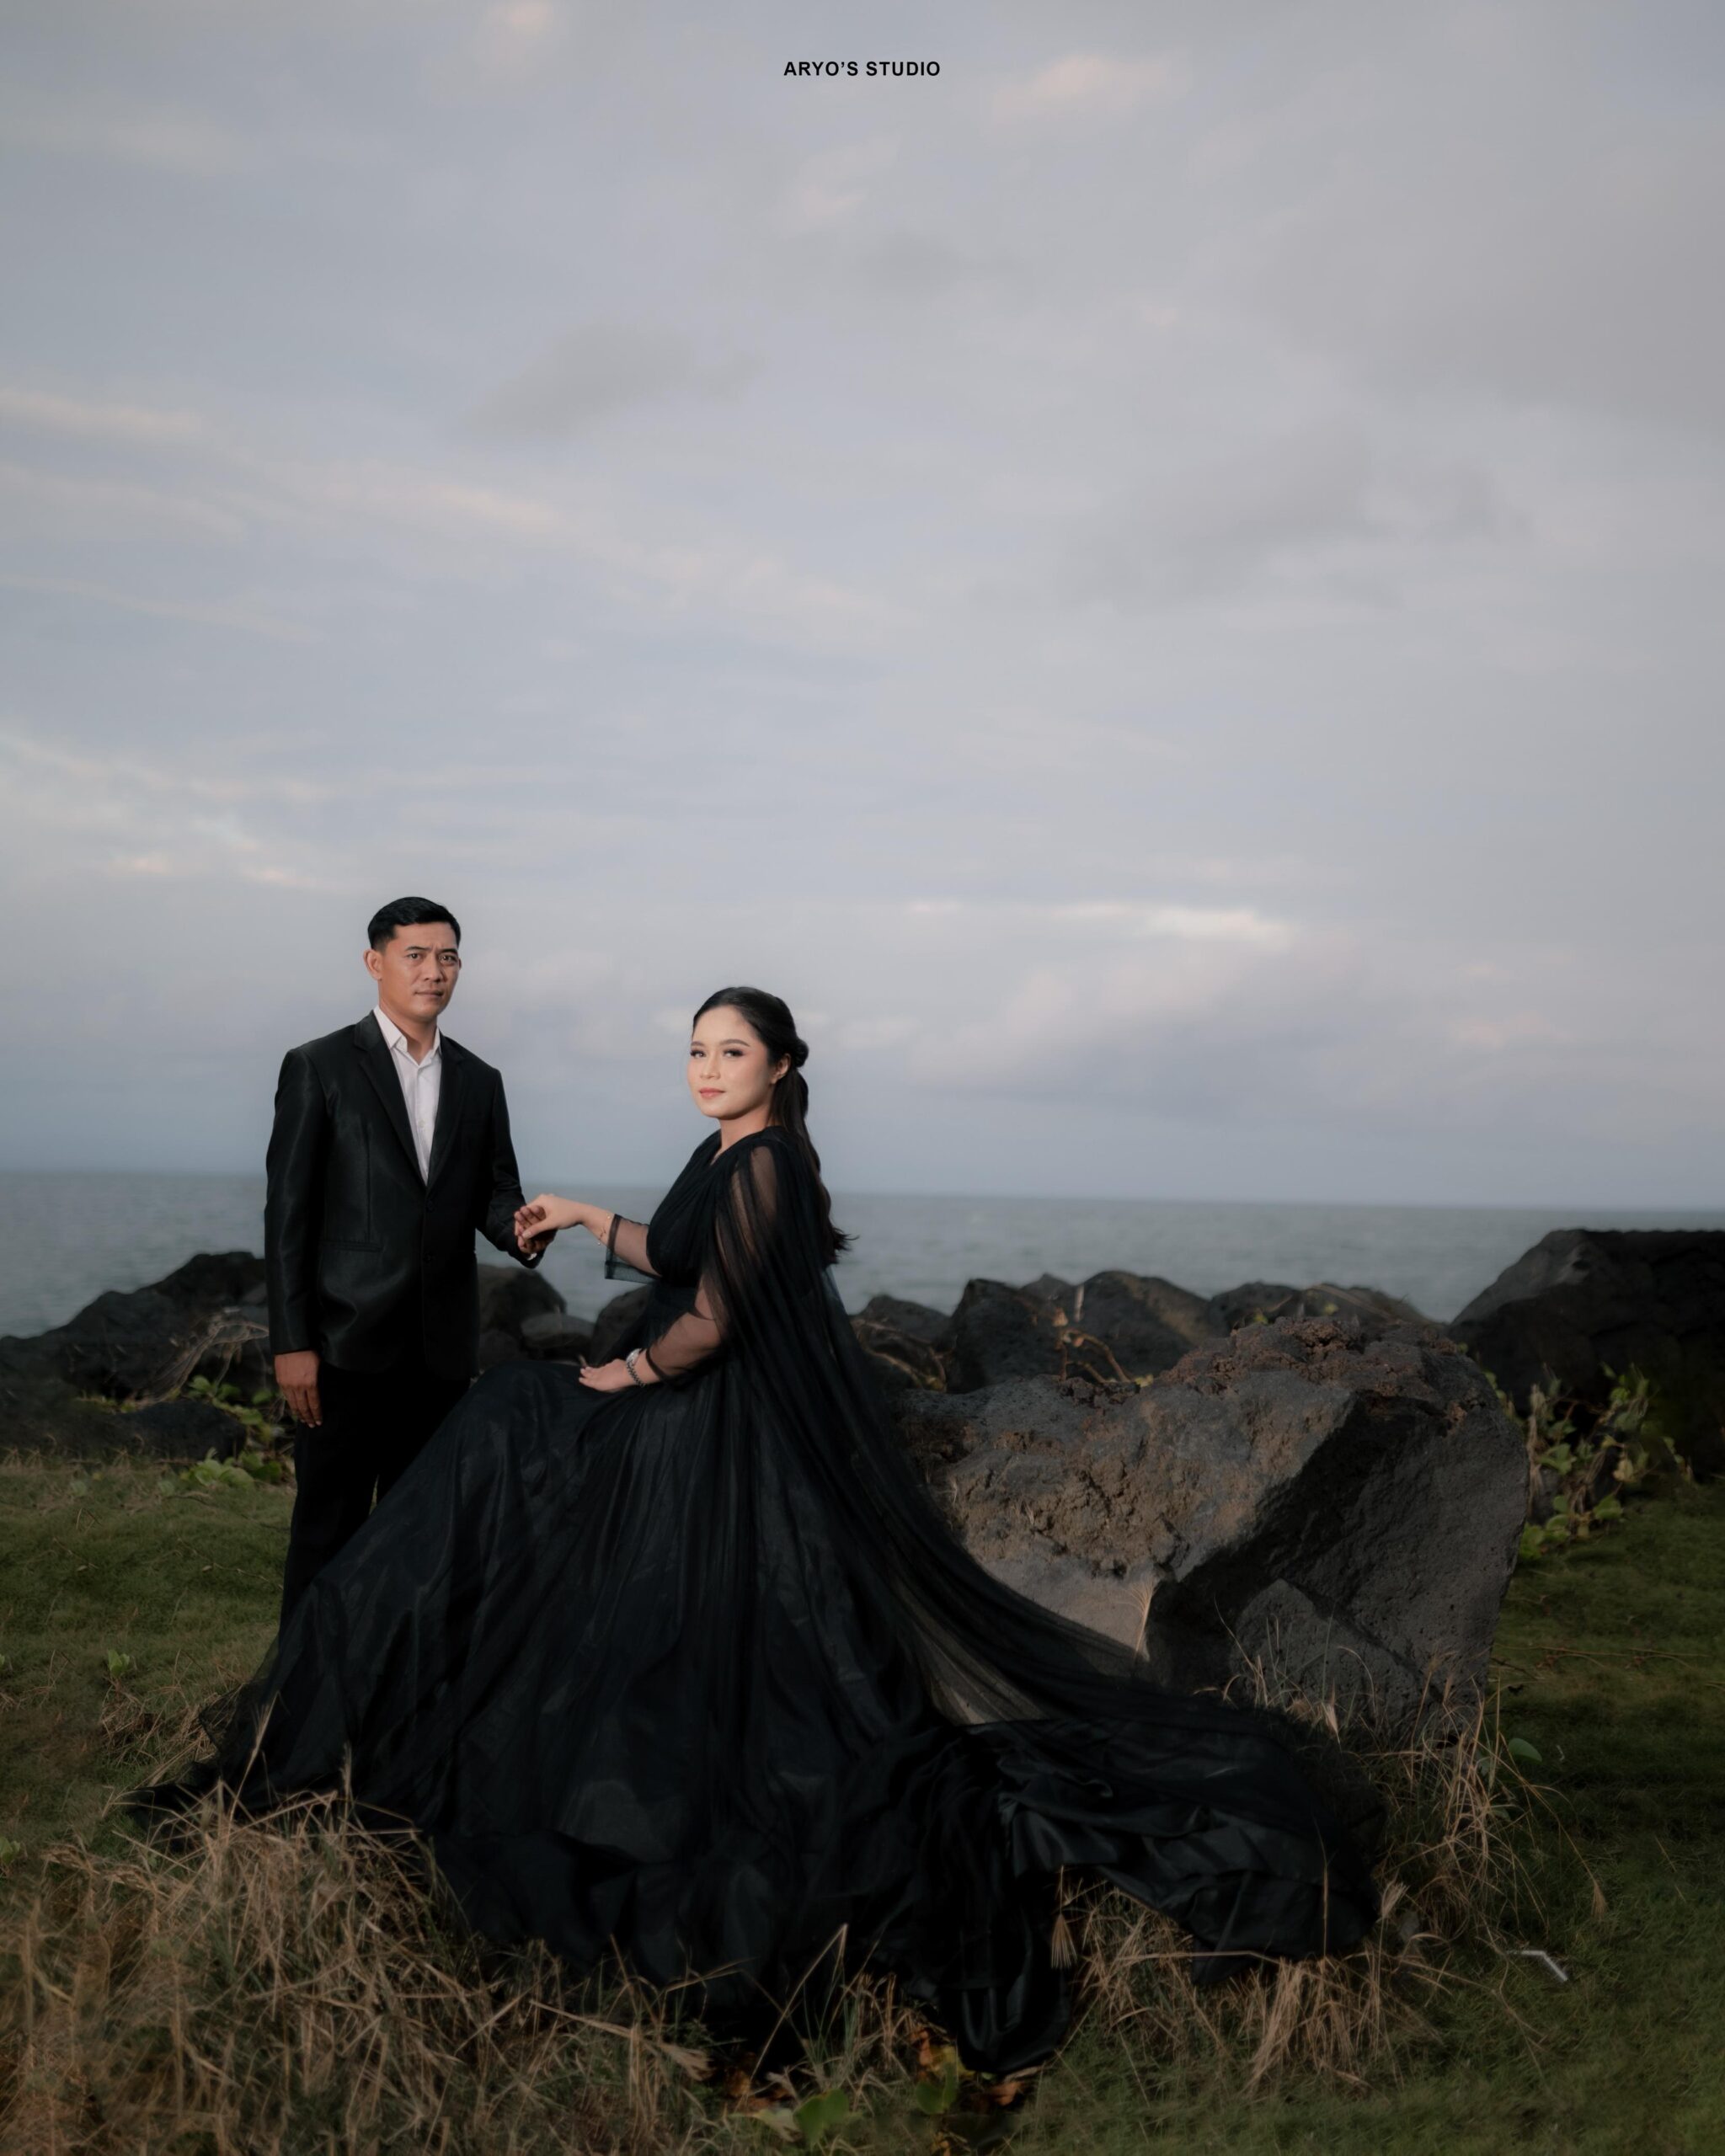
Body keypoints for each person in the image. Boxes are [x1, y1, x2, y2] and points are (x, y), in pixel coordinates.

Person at [146, 985, 1380, 2076]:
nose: (705, 1068)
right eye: (695, 1050)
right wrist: (585, 1215)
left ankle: (412, 1679)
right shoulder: (727, 1150)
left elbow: (713, 1320)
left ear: (780, 1065)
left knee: (512, 1423)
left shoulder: (768, 1162)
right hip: (690, 1395)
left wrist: (625, 1378)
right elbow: (673, 1255)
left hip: (716, 1416)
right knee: (506, 1426)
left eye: (729, 1052)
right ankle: (391, 1667)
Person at [264, 895, 553, 1622]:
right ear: (375, 963)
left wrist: (521, 1231)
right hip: (342, 1345)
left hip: (439, 1352)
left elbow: (495, 1192)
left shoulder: (481, 1080)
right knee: (325, 1529)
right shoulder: (319, 1066)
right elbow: (288, 1218)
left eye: (447, 957)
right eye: (415, 955)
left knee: (421, 1534)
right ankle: (303, 1686)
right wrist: (292, 1344)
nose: (434, 971)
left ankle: (394, 1682)